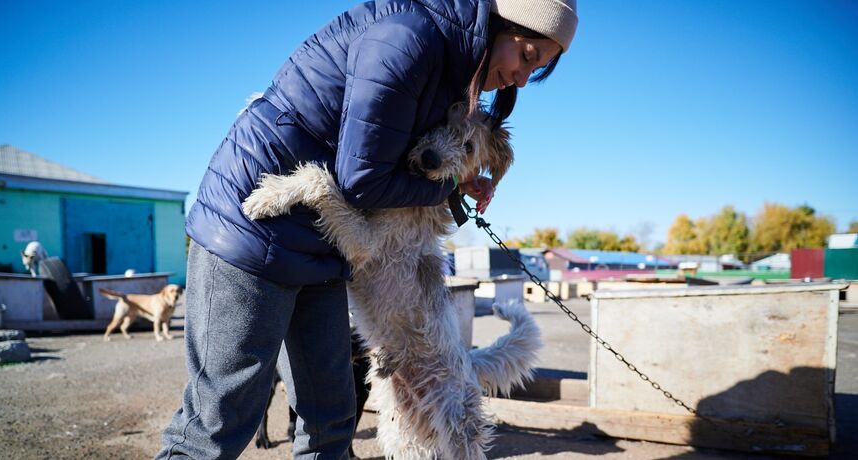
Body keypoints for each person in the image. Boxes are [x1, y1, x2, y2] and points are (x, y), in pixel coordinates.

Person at [157, 0, 578, 458]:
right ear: (503, 22)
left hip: (320, 243)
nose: (521, 78)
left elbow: (403, 180)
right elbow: (364, 182)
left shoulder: (450, 75)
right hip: (253, 223)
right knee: (218, 423)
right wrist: (449, 188)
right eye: (528, 57)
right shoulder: (411, 39)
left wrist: (457, 192)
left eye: (536, 71)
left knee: (333, 417)